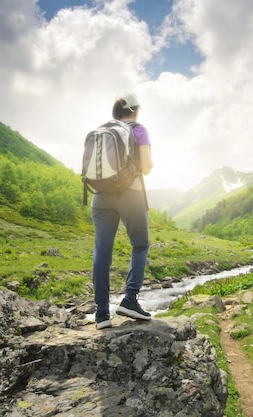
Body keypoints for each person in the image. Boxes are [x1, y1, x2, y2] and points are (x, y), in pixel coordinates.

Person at [91, 92, 153, 329]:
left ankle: (101, 314)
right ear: (135, 110)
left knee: (101, 252)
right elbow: (146, 167)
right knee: (140, 245)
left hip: (100, 196)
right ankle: (129, 299)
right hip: (130, 192)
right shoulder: (138, 129)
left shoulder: (102, 131)